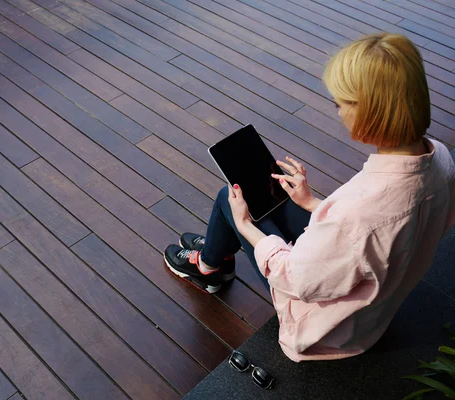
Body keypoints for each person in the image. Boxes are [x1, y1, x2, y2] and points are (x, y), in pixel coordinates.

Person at [163, 33, 455, 361]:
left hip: (330, 331)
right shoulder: (442, 159)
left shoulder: (356, 212)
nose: (338, 111)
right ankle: (216, 255)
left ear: (372, 111)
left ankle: (209, 266)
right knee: (272, 200)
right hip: (378, 301)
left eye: (341, 103)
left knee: (230, 199)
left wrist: (245, 226)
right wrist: (314, 204)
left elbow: (295, 279)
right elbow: (376, 235)